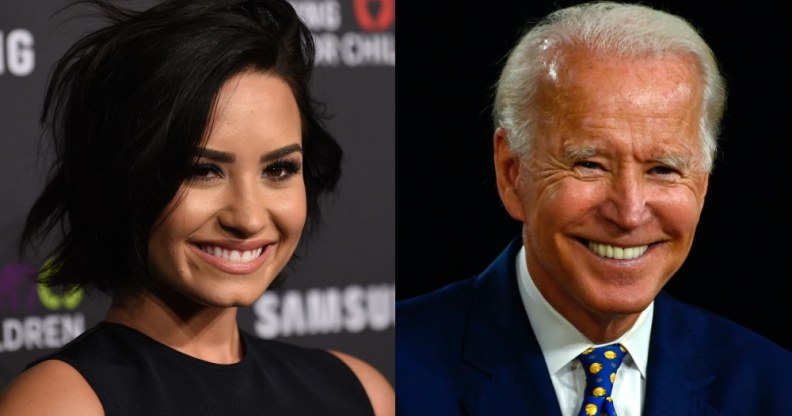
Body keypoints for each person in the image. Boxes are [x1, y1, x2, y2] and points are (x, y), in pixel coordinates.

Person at [396, 2, 792, 415]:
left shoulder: (772, 388)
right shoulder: (391, 375)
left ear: (704, 185)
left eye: (663, 169)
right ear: (512, 174)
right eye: (590, 164)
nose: (629, 212)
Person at [0, 0, 394, 415]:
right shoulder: (61, 404)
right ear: (122, 179)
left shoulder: (361, 393)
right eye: (203, 171)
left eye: (278, 169)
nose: (249, 218)